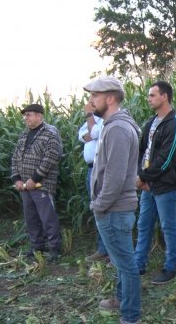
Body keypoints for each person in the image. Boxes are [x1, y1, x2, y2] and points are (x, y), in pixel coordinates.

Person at [84, 76, 141, 324]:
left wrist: (99, 206)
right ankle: (120, 300)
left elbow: (115, 178)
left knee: (126, 264)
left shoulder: (117, 128)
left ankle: (130, 316)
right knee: (121, 260)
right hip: (114, 208)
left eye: (95, 96)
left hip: (114, 209)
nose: (90, 101)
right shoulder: (113, 125)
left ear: (110, 98)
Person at [135, 81, 176, 284]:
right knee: (144, 224)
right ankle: (138, 263)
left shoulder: (174, 123)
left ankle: (171, 267)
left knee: (168, 226)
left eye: (152, 95)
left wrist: (143, 177)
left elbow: (166, 158)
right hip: (148, 184)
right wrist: (142, 177)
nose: (148, 99)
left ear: (164, 96)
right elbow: (142, 151)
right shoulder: (151, 122)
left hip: (165, 184)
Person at [11, 103, 63, 263]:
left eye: (29, 114)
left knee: (48, 217)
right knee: (31, 217)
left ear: (39, 116)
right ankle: (37, 246)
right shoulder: (24, 135)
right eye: (24, 115)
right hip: (25, 186)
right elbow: (14, 157)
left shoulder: (50, 133)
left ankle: (55, 249)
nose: (25, 118)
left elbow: (51, 157)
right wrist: (16, 179)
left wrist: (34, 179)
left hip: (42, 185)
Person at [78, 100, 109, 263]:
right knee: (97, 209)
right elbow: (82, 136)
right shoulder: (93, 121)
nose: (91, 105)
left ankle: (111, 252)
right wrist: (90, 127)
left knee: (106, 209)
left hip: (102, 169)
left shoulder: (106, 120)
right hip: (91, 169)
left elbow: (94, 134)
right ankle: (102, 249)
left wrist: (90, 116)